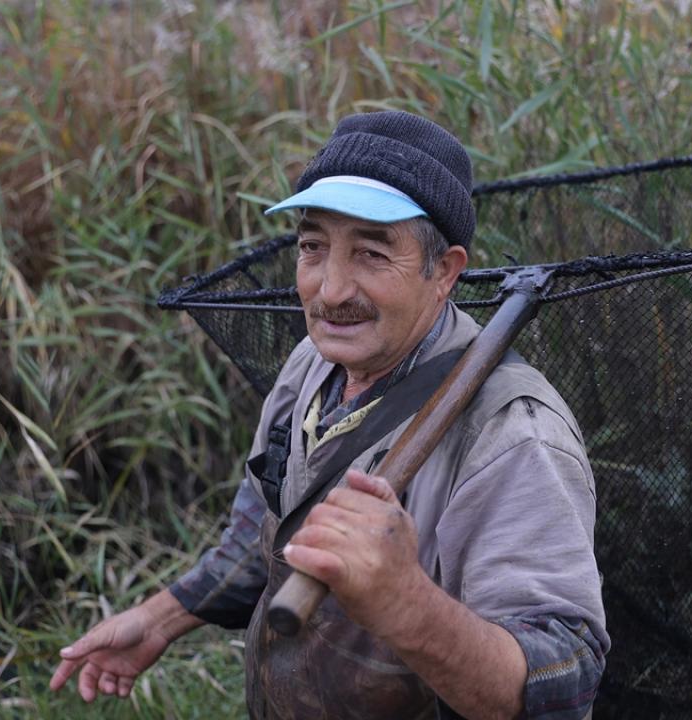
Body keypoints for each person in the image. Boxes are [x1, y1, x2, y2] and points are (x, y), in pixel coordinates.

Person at [50, 111, 608, 719]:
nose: (331, 290)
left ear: (444, 271)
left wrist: (407, 604)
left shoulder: (511, 434)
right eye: (313, 247)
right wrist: (158, 620)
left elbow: (565, 679)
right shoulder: (310, 367)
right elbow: (265, 535)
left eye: (371, 253)